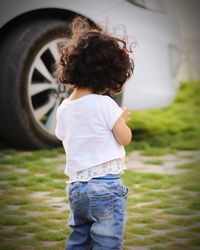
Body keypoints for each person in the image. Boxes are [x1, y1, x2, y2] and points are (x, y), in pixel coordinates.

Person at [55, 16, 134, 250]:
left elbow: (65, 136)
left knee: (79, 239)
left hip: (77, 188)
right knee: (107, 243)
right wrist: (120, 120)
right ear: (106, 75)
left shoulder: (64, 108)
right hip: (106, 189)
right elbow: (124, 138)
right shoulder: (105, 105)